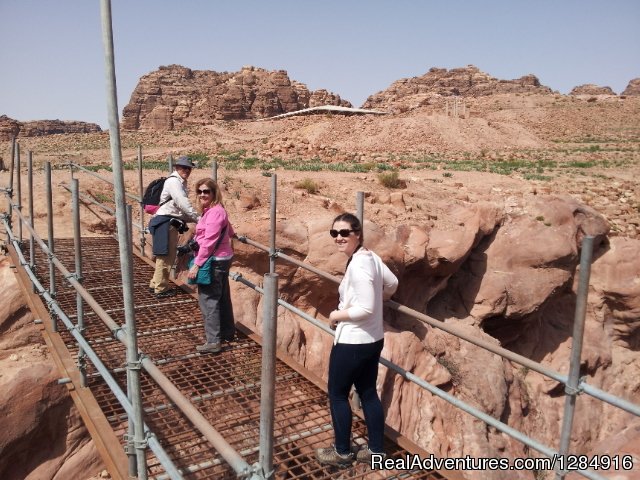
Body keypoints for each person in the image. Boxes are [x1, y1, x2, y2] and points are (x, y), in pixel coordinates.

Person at [316, 213, 398, 467]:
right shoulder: (370, 257)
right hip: (373, 339)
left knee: (338, 394)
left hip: (353, 342)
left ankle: (342, 453)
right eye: (334, 233)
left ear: (357, 234)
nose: (339, 238)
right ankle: (376, 452)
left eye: (344, 233)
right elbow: (392, 282)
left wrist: (335, 314)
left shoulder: (360, 265)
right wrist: (381, 295)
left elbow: (366, 308)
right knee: (368, 392)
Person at [187, 177, 236, 354]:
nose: (202, 194)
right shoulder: (216, 210)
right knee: (222, 297)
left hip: (213, 261)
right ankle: (227, 332)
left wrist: (197, 264)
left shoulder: (214, 212)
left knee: (209, 300)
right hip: (222, 258)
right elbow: (228, 228)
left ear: (214, 193)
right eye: (199, 191)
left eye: (206, 191)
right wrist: (233, 235)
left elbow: (209, 240)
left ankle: (213, 341)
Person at [148, 156, 199, 298]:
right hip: (165, 222)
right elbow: (183, 203)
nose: (187, 170)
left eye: (189, 168)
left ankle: (155, 284)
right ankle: (160, 289)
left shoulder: (178, 182)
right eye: (184, 167)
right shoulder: (174, 182)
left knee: (163, 255)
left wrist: (194, 218)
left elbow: (180, 210)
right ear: (176, 168)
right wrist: (199, 218)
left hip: (165, 221)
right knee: (166, 257)